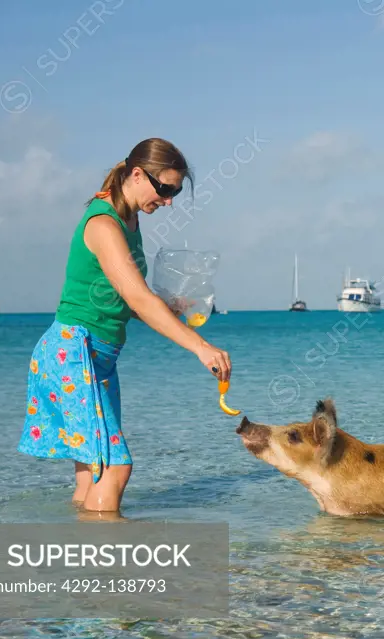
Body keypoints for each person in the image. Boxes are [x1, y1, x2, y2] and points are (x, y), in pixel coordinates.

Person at [17, 138, 231, 514]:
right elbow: (137, 299)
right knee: (115, 466)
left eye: (175, 193)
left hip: (97, 358)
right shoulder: (103, 222)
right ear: (136, 174)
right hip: (74, 351)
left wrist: (169, 306)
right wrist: (200, 346)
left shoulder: (130, 221)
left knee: (92, 472)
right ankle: (106, 563)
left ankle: (82, 561)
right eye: (165, 189)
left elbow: (120, 297)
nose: (168, 201)